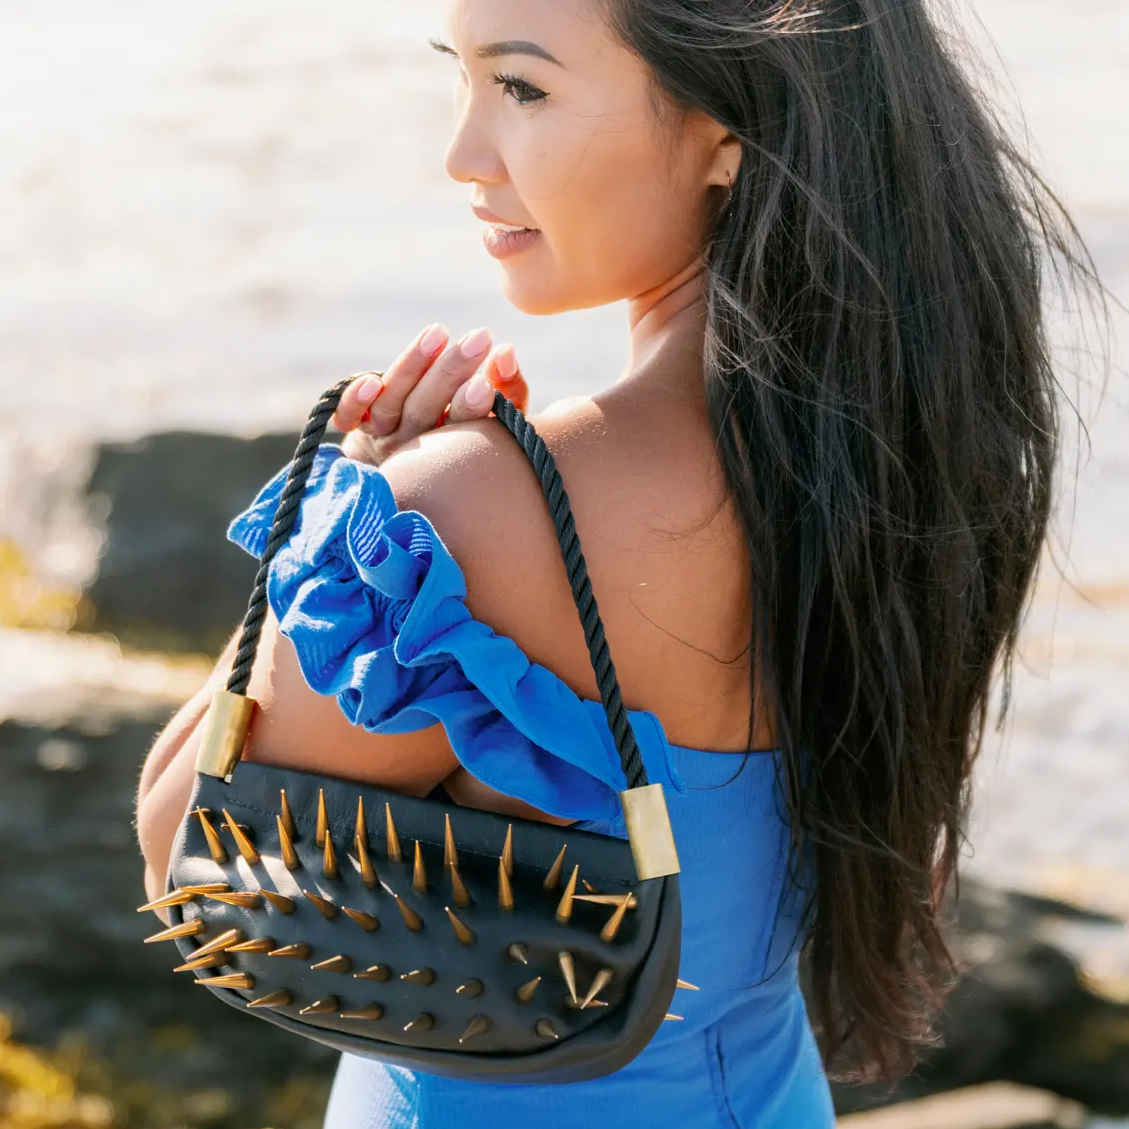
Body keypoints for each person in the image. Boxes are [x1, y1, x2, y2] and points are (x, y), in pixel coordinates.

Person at [135, 0, 1106, 1125]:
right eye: (461, 77)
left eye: (523, 88)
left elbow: (188, 860)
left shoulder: (474, 515)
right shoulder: (902, 453)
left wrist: (338, 518)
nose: (461, 153)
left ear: (729, 127)